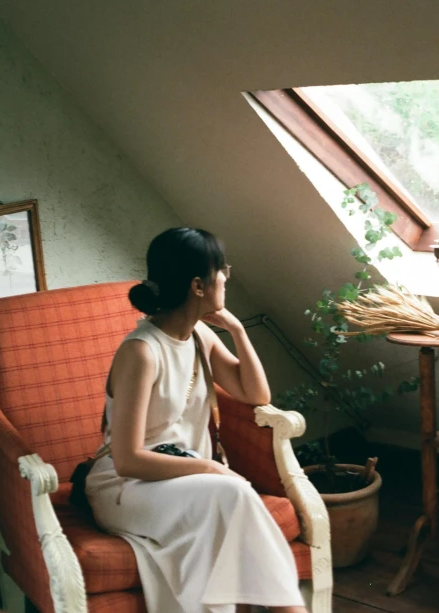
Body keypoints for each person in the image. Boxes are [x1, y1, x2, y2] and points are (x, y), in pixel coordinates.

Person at [85, 227, 307, 613]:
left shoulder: (200, 335)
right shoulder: (142, 352)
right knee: (231, 492)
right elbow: (127, 460)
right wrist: (211, 469)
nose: (227, 275)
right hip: (126, 487)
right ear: (198, 286)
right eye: (221, 269)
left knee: (227, 496)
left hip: (189, 481)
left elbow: (256, 395)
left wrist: (237, 329)